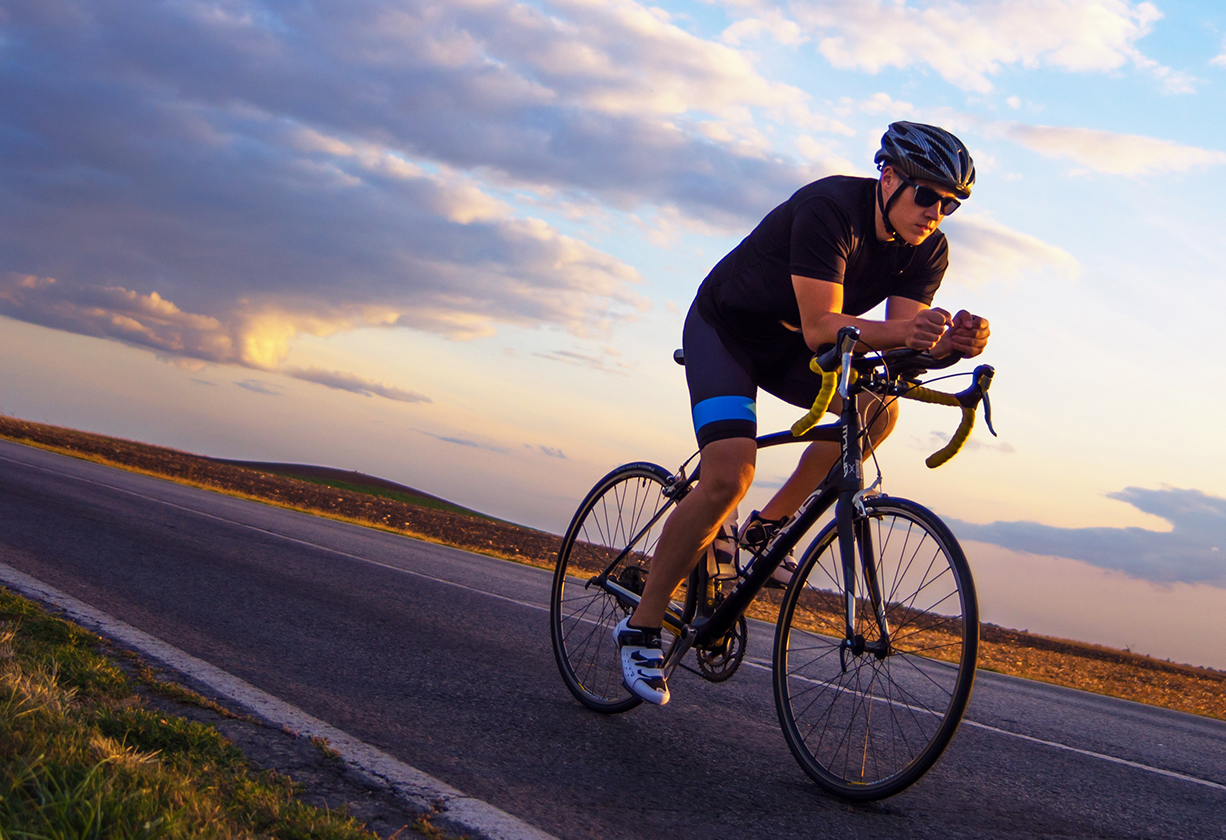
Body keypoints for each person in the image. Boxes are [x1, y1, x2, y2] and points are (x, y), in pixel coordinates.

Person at [614, 121, 992, 706]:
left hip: (795, 350)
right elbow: (823, 327)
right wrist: (907, 332)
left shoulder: (927, 251)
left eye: (950, 204)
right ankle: (640, 626)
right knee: (728, 474)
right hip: (729, 334)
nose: (935, 213)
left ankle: (769, 526)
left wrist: (944, 346)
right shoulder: (830, 209)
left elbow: (895, 346)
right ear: (888, 178)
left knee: (877, 409)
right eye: (926, 195)